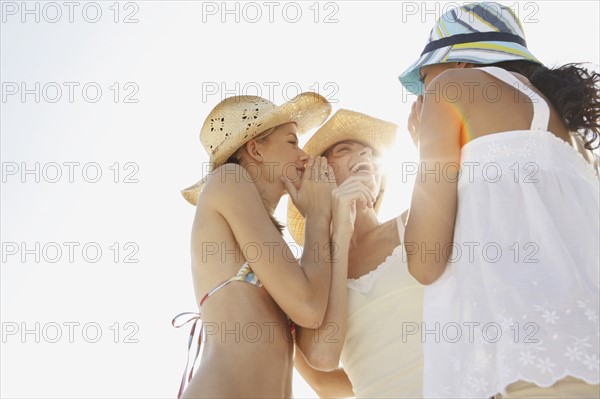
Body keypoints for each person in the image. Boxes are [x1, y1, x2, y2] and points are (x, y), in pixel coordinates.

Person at [398, 2, 599, 398]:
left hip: (531, 362)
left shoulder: (452, 89)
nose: (423, 93)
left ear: (459, 65)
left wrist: (425, 144)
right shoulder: (575, 143)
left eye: (426, 77)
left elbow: (425, 261)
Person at [172, 93, 336, 398]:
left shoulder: (270, 248)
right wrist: (317, 215)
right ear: (255, 149)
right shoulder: (228, 179)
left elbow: (323, 382)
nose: (304, 156)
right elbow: (309, 307)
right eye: (291, 142)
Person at [287, 109, 425, 398]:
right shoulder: (302, 275)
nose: (364, 156)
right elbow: (323, 358)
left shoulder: (414, 222)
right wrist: (339, 236)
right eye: (344, 150)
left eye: (370, 154)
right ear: (318, 175)